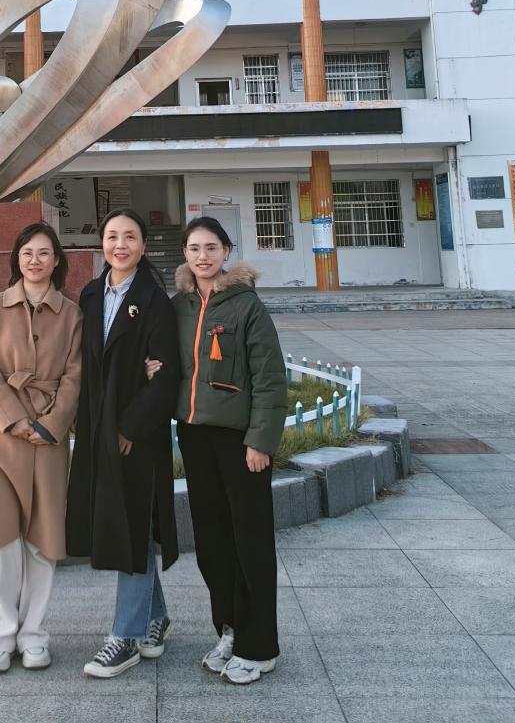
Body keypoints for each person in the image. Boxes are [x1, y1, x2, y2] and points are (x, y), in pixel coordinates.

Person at [156, 215, 287, 686]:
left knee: (250, 541)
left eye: (211, 247)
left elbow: (269, 378)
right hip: (196, 436)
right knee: (212, 543)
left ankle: (260, 647)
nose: (203, 256)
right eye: (194, 248)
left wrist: (260, 441)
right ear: (185, 255)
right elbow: (169, 360)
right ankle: (229, 630)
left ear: (226, 252)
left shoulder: (246, 306)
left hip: (240, 441)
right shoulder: (180, 306)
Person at [66, 207, 181, 679]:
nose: (120, 245)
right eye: (112, 236)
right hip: (99, 427)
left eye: (129, 237)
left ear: (143, 245)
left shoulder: (155, 300)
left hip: (137, 435)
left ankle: (125, 637)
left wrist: (130, 427)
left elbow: (165, 374)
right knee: (125, 524)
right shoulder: (91, 294)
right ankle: (156, 616)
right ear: (102, 244)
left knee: (132, 526)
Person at [0, 222, 82, 673]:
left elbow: (75, 376)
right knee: (0, 541)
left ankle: (34, 634)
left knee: (42, 539)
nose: (34, 261)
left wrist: (51, 424)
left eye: (43, 253)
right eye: (26, 253)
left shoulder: (72, 314)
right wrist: (15, 418)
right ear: (16, 260)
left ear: (56, 261)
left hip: (48, 440)